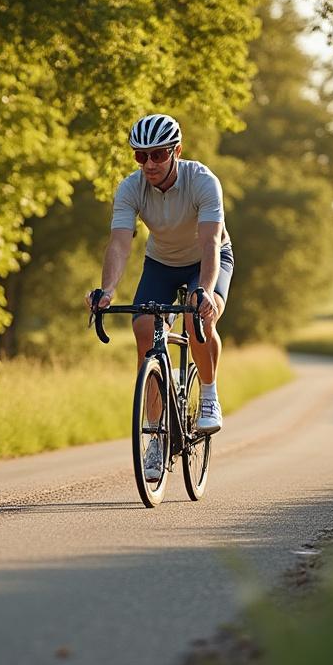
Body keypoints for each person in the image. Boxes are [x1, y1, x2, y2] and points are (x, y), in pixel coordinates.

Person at [86, 113, 234, 482]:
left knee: (202, 315)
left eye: (157, 154)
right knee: (143, 328)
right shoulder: (130, 188)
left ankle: (210, 394)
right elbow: (120, 245)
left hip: (207, 258)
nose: (149, 164)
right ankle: (155, 438)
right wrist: (107, 291)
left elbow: (210, 242)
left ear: (176, 151)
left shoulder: (202, 181)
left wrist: (204, 289)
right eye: (140, 156)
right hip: (162, 262)